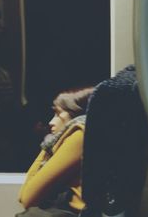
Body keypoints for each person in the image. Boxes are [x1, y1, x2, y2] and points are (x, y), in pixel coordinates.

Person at [18, 87, 94, 216]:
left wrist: (48, 146)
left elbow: (27, 198)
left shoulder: (80, 133)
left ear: (76, 115)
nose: (51, 122)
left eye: (58, 114)